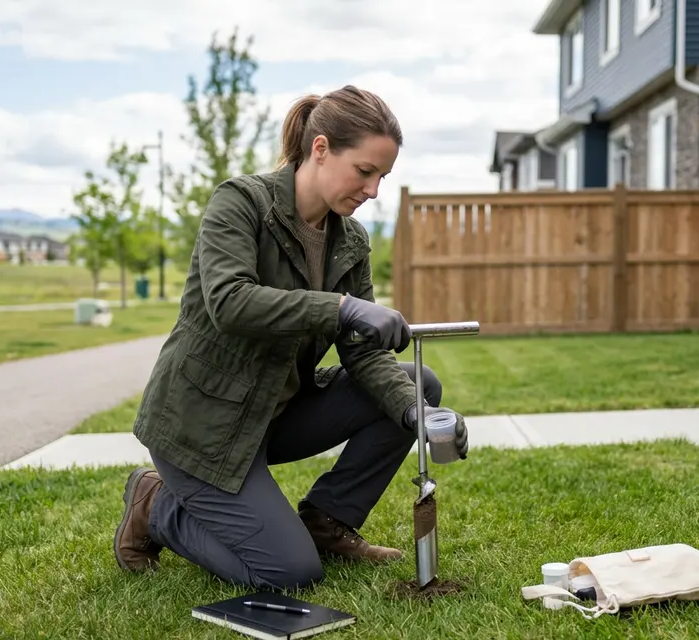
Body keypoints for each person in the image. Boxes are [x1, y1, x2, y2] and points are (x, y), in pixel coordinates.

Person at [112, 85, 469, 592]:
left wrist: (415, 414)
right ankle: (156, 504)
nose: (372, 191)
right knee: (288, 573)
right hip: (202, 429)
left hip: (273, 416)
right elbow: (230, 301)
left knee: (417, 385)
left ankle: (326, 522)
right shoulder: (240, 204)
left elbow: (362, 355)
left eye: (382, 177)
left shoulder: (351, 240)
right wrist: (343, 307)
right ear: (319, 149)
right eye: (364, 171)